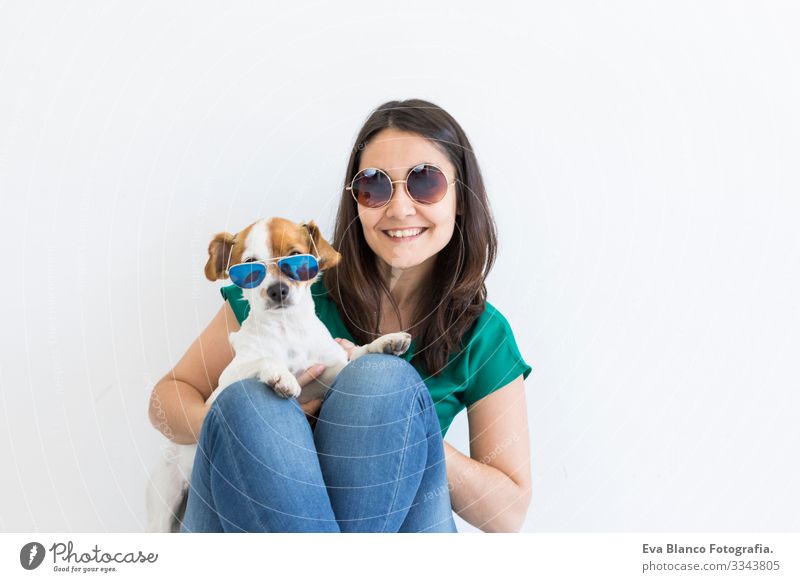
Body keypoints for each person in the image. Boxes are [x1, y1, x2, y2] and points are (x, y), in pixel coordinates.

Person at [148, 98, 533, 533]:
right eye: (375, 186)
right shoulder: (276, 292)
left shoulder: (483, 335)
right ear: (356, 201)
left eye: (425, 183)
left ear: (461, 199)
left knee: (380, 382)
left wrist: (405, 430)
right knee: (254, 404)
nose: (400, 208)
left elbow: (508, 513)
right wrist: (241, 430)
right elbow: (164, 401)